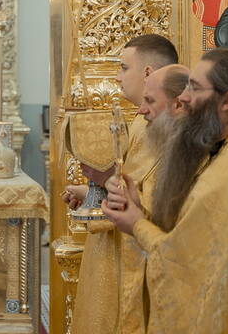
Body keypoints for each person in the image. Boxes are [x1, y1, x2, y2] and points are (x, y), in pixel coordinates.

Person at [104, 48, 228, 333]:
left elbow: (182, 266)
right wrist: (140, 209)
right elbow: (192, 237)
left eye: (194, 87)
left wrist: (136, 225)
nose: (183, 97)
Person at [62, 34, 178, 334]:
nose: (117, 77)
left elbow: (156, 202)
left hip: (133, 259)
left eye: (124, 67)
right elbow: (133, 182)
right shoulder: (142, 121)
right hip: (113, 253)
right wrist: (92, 191)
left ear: (148, 72)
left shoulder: (169, 129)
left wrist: (104, 179)